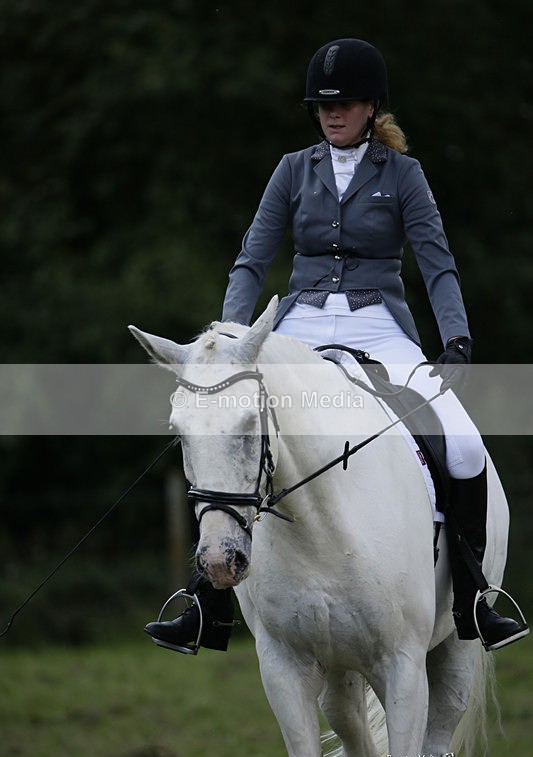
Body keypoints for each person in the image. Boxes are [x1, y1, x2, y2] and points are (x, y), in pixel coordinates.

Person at [145, 38, 528, 654]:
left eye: (345, 103)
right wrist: (230, 341)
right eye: (322, 105)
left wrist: (455, 336)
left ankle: (474, 596)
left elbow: (436, 263)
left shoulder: (403, 175)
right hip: (298, 326)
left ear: (372, 106)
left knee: (461, 443)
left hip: (378, 326)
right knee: (226, 429)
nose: (331, 113)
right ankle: (204, 601)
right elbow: (252, 257)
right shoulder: (293, 170)